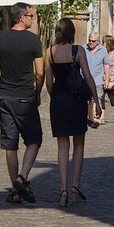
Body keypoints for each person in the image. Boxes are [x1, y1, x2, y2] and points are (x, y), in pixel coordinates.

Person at [0, 3, 45, 204]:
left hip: (5, 97)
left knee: (10, 144)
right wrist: (37, 92)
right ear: (21, 18)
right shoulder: (34, 41)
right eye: (31, 15)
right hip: (25, 97)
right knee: (35, 139)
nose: (32, 18)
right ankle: (22, 177)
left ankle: (15, 192)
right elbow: (40, 72)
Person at [45, 18, 99, 205]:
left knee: (62, 146)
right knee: (79, 144)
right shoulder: (78, 51)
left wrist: (56, 97)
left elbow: (49, 83)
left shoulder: (50, 53)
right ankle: (75, 186)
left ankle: (63, 190)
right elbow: (89, 78)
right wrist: (97, 102)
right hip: (76, 101)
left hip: (59, 100)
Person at [85, 31, 110, 128]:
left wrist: (106, 79)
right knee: (89, 101)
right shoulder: (84, 48)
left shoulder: (103, 50)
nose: (90, 42)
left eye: (93, 41)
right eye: (89, 40)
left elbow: (106, 65)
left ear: (98, 42)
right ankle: (91, 118)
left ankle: (95, 119)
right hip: (85, 80)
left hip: (98, 80)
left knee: (97, 99)